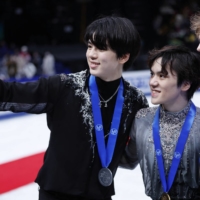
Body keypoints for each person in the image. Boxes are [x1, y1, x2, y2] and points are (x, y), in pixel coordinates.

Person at [0, 16, 148, 200]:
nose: (91, 54)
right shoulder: (64, 86)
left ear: (124, 56)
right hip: (55, 193)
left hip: (99, 195)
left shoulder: (135, 101)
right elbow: (9, 93)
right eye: (89, 46)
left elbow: (133, 154)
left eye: (101, 48)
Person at [120, 45, 200, 200]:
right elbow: (127, 160)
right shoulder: (142, 119)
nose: (152, 82)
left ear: (185, 84)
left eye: (162, 76)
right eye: (152, 74)